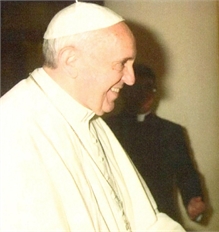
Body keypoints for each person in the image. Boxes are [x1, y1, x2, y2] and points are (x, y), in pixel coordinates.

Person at [0, 2, 184, 231]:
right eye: (122, 63)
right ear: (71, 61)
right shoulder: (11, 128)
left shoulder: (90, 119)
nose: (130, 79)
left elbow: (146, 222)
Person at [106, 64, 206, 224]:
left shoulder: (171, 132)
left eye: (150, 88)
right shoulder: (108, 129)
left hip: (162, 218)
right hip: (121, 219)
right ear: (125, 91)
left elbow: (186, 173)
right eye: (138, 88)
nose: (145, 95)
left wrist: (193, 200)